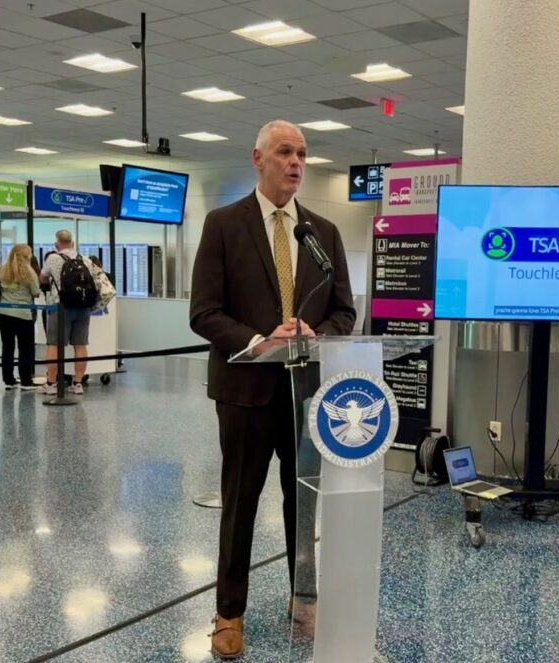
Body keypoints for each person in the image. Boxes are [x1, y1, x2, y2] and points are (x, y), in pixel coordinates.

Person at [189, 119, 355, 659]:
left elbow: (344, 312)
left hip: (305, 393)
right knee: (241, 505)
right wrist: (260, 340)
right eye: (285, 152)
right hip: (244, 392)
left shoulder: (322, 233)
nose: (296, 162)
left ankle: (303, 601)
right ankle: (228, 614)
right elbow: (204, 313)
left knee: (302, 505)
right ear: (257, 158)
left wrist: (315, 333)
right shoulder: (223, 225)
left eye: (303, 153)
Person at [39, 230, 94, 396]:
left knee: (54, 344)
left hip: (61, 307)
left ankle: (51, 383)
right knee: (80, 344)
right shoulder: (85, 259)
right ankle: (77, 384)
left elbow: (42, 278)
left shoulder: (53, 258)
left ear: (56, 244)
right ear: (73, 243)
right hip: (83, 307)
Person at [0, 244, 41, 391]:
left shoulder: (3, 268)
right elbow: (36, 292)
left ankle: (8, 380)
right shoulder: (29, 272)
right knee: (25, 348)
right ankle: (26, 381)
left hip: (3, 313)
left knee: (7, 346)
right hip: (23, 314)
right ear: (28, 256)